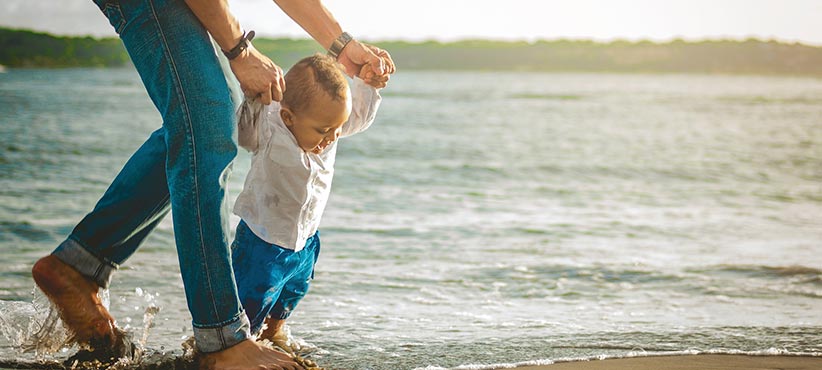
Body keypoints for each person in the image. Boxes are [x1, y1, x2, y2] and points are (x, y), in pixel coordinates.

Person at [30, 0, 395, 369]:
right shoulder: (277, 124)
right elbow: (246, 125)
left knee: (204, 122)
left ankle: (79, 264)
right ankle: (220, 339)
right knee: (209, 119)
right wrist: (240, 50)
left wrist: (343, 46)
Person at [228, 54, 386, 361]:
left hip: (306, 238)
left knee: (293, 291)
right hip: (263, 240)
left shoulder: (329, 123)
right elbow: (242, 132)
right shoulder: (270, 126)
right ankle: (239, 347)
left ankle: (275, 332)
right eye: (324, 131)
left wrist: (368, 83)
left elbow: (359, 116)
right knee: (250, 302)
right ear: (289, 118)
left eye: (337, 129)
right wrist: (252, 97)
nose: (331, 138)